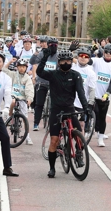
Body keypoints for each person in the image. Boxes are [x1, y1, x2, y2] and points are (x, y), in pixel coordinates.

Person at [36, 48, 92, 178]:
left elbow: (81, 93)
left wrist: (86, 108)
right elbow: (39, 72)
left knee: (80, 137)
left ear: (71, 62)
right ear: (59, 62)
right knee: (54, 141)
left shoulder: (76, 75)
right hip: (56, 111)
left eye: (68, 61)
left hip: (70, 109)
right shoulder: (53, 74)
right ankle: (52, 168)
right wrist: (44, 58)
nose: (66, 63)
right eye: (63, 61)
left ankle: (78, 154)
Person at [92, 43, 111, 147]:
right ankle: (89, 130)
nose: (108, 54)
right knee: (94, 113)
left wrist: (107, 94)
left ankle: (100, 137)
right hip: (93, 94)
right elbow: (86, 61)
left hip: (104, 96)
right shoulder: (97, 61)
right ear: (103, 52)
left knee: (102, 117)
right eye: (106, 52)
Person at [3, 58, 35, 145]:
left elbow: (29, 89)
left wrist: (29, 99)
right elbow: (4, 70)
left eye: (23, 67)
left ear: (26, 68)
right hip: (13, 96)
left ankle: (27, 137)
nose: (21, 68)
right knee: (13, 102)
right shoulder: (13, 74)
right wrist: (10, 62)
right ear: (17, 67)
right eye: (20, 66)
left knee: (25, 118)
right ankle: (9, 116)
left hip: (22, 98)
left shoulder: (27, 78)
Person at [30, 36, 58, 131]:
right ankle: (36, 123)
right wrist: (36, 54)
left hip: (53, 83)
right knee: (39, 104)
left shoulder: (58, 55)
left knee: (54, 105)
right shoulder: (43, 53)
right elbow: (33, 62)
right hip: (42, 81)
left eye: (55, 45)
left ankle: (52, 124)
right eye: (51, 45)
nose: (53, 47)